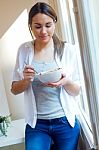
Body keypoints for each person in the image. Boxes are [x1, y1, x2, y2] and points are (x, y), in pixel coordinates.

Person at [11, 2, 80, 150]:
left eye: (48, 25)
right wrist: (26, 80)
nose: (43, 31)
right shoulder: (24, 50)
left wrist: (66, 81)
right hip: (37, 124)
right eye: (37, 26)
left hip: (65, 122)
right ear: (30, 26)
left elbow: (76, 91)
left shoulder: (68, 50)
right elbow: (14, 89)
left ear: (55, 23)